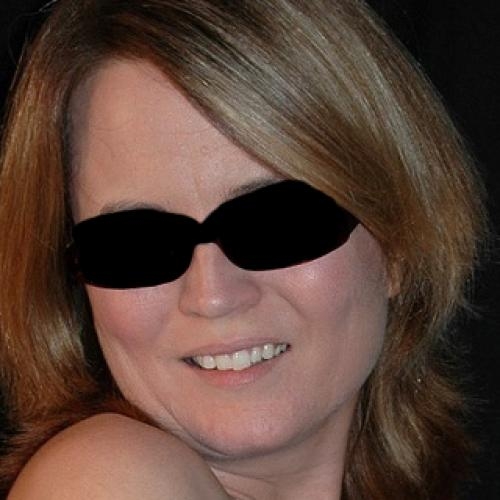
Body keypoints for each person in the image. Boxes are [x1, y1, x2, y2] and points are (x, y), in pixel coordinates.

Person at [0, 0, 486, 498]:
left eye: (275, 221)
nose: (212, 295)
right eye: (136, 243)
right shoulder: (107, 479)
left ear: (396, 239)